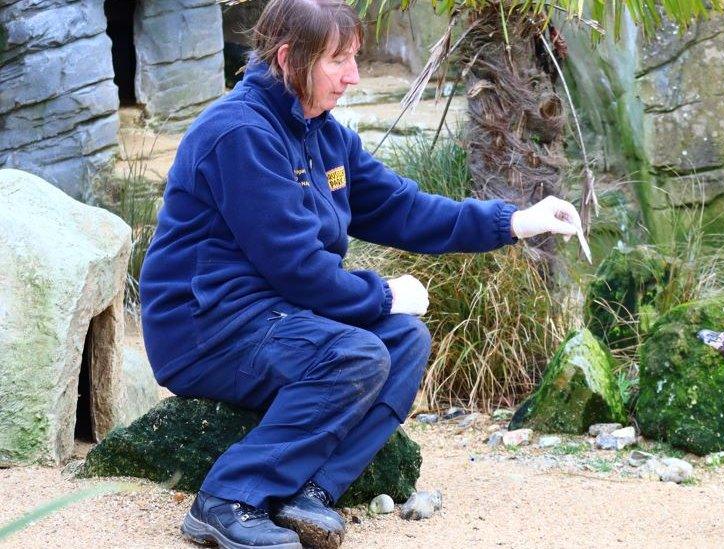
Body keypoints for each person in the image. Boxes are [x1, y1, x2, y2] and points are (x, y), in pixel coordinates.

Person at [138, 1, 584, 548]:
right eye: (338, 60)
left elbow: (404, 209)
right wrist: (383, 293)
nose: (352, 75)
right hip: (205, 327)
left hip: (271, 315)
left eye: (354, 58)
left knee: (404, 341)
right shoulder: (240, 134)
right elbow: (298, 269)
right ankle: (228, 498)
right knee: (358, 351)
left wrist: (513, 220)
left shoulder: (322, 133)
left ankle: (309, 493)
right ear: (288, 58)